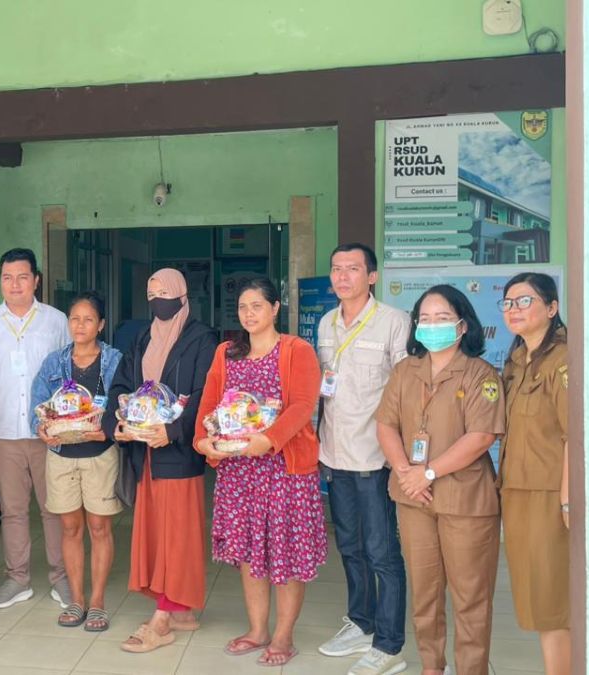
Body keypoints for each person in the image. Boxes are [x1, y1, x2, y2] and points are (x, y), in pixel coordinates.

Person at [193, 277, 326, 667]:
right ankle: (257, 630)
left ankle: (283, 635)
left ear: (275, 308)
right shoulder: (226, 352)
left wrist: (269, 440)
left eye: (257, 306)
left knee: (286, 552)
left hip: (285, 471)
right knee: (251, 552)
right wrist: (202, 439)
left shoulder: (296, 350)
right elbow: (209, 402)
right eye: (242, 307)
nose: (248, 314)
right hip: (239, 473)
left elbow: (302, 405)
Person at [375, 285, 505, 675]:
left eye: (443, 318)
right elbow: (386, 425)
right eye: (425, 319)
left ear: (462, 325)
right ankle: (432, 666)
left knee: (470, 598)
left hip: (465, 502)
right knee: (425, 594)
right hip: (414, 499)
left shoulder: (481, 374)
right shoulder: (405, 371)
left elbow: (481, 436)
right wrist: (406, 472)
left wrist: (428, 473)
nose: (432, 326)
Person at [103, 268, 217, 654]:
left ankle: (163, 618)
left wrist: (173, 430)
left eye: (164, 293)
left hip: (177, 453)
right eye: (151, 294)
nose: (157, 301)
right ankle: (180, 609)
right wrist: (116, 423)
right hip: (145, 451)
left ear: (182, 296)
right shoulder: (142, 338)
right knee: (155, 531)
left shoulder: (201, 339)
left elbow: (205, 394)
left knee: (177, 534)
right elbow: (120, 386)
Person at [315, 244, 411, 675]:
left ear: (371, 276)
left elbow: (405, 389)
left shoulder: (394, 321)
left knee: (382, 553)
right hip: (335, 455)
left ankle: (389, 645)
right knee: (350, 547)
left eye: (352, 269)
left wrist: (401, 457)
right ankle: (361, 623)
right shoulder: (326, 323)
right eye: (337, 269)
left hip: (374, 457)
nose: (342, 276)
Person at [0, 247, 71, 609]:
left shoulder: (56, 321)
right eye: (7, 278)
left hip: (47, 433)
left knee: (54, 508)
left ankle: (61, 576)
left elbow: (70, 376)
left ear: (35, 280)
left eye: (22, 277)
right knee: (12, 510)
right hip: (2, 433)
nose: (14, 284)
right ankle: (17, 579)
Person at [31, 291, 123, 632]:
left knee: (99, 528)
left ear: (100, 324)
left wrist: (108, 429)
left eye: (88, 319)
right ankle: (77, 600)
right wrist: (41, 428)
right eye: (74, 319)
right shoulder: (54, 362)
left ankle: (97, 602)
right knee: (70, 528)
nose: (80, 325)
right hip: (61, 456)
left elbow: (124, 402)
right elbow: (38, 404)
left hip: (100, 455)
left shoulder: (115, 360)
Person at [498, 273, 571, 675]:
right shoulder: (516, 361)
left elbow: (573, 435)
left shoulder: (563, 359)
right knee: (536, 599)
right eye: (508, 303)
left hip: (550, 496)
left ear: (552, 307)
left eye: (525, 301)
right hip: (518, 492)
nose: (514, 310)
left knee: (553, 602)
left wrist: (568, 500)